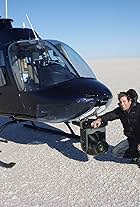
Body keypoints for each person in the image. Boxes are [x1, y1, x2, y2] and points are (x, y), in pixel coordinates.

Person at [91, 89, 140, 167]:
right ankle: (136, 156)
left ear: (129, 100)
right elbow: (110, 115)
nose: (122, 104)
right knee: (116, 152)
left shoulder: (138, 109)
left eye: (124, 101)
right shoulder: (121, 111)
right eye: (120, 102)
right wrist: (100, 119)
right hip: (132, 139)